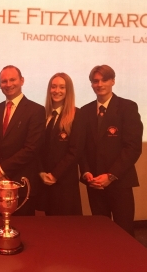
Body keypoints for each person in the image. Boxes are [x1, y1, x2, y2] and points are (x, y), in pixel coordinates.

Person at [79, 65, 143, 236]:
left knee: (124, 232)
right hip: (94, 183)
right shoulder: (84, 111)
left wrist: (111, 175)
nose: (99, 84)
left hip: (119, 181)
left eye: (104, 80)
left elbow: (133, 147)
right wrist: (86, 173)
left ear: (113, 81)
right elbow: (82, 148)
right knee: (100, 232)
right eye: (95, 81)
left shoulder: (127, 107)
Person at [0, 65, 45, 216]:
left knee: (23, 231)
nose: (8, 84)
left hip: (21, 184)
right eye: (4, 81)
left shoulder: (36, 110)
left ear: (22, 80)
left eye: (12, 79)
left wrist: (3, 169)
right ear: (0, 85)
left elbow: (31, 148)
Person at [38, 73, 83, 216]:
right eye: (54, 86)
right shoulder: (43, 115)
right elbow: (37, 148)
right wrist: (41, 172)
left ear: (68, 91)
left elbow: (75, 151)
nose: (57, 91)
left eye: (62, 87)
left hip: (65, 182)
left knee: (66, 229)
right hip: (45, 181)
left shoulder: (77, 115)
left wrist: (55, 175)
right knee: (49, 227)